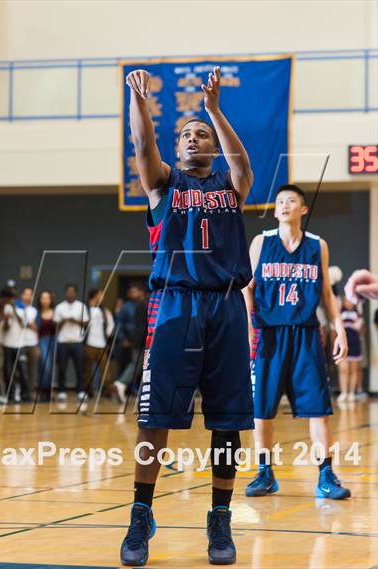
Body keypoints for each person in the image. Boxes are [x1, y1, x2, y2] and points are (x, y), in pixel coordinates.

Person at [120, 66, 254, 566]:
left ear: (213, 146)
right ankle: (140, 512)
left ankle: (220, 519)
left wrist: (214, 109)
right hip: (176, 305)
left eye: (201, 134)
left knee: (228, 420)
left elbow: (242, 164)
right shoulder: (163, 184)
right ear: (176, 149)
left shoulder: (231, 184)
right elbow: (142, 146)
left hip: (225, 306)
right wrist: (140, 102)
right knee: (155, 419)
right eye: (186, 134)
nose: (193, 138)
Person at [243, 184, 350, 501]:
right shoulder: (262, 242)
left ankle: (326, 475)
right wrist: (249, 324)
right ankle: (265, 473)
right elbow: (246, 287)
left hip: (306, 334)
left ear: (303, 209)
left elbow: (327, 295)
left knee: (319, 409)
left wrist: (340, 328)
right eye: (280, 202)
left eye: (291, 201)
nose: (285, 205)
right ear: (275, 210)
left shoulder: (318, 246)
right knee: (262, 410)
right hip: (268, 334)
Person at [113, 283, 147, 404]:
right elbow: (119, 324)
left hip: (141, 340)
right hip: (134, 340)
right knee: (136, 364)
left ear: (141, 292)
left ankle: (128, 386)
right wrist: (123, 338)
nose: (133, 294)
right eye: (131, 292)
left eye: (135, 291)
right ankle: (122, 383)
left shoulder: (145, 304)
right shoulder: (127, 307)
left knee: (140, 365)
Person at [53, 284, 88, 402]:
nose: (70, 294)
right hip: (63, 341)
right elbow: (56, 325)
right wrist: (64, 320)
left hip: (77, 341)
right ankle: (61, 391)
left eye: (72, 292)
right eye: (68, 292)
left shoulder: (81, 306)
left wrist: (75, 320)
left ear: (76, 293)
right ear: (65, 293)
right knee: (62, 368)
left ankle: (81, 391)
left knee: (79, 368)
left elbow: (85, 324)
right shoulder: (59, 307)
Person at [85, 288, 115, 396]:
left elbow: (111, 324)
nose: (102, 297)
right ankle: (88, 392)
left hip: (102, 344)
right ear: (96, 295)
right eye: (101, 295)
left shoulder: (104, 310)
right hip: (89, 344)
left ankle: (106, 391)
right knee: (87, 370)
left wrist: (108, 335)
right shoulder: (86, 309)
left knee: (105, 370)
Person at [337, 297, 364, 403]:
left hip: (355, 343)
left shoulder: (358, 313)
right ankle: (343, 392)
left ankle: (352, 392)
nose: (349, 303)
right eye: (347, 300)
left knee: (353, 370)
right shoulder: (339, 312)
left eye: (351, 300)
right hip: (343, 343)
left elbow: (361, 329)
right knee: (343, 369)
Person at [19, 288, 39, 399]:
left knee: (32, 370)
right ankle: (20, 392)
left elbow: (36, 327)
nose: (27, 297)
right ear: (22, 296)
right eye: (25, 294)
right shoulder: (17, 308)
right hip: (20, 343)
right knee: (21, 370)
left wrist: (29, 324)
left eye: (30, 295)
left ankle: (30, 393)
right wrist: (29, 324)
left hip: (33, 343)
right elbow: (24, 324)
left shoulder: (34, 310)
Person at [36, 290, 56, 401]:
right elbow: (36, 331)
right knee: (45, 366)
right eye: (43, 298)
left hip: (54, 340)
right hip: (42, 340)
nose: (45, 300)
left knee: (51, 367)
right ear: (40, 300)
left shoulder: (55, 312)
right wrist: (37, 345)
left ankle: (49, 391)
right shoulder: (37, 313)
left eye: (47, 298)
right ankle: (43, 390)